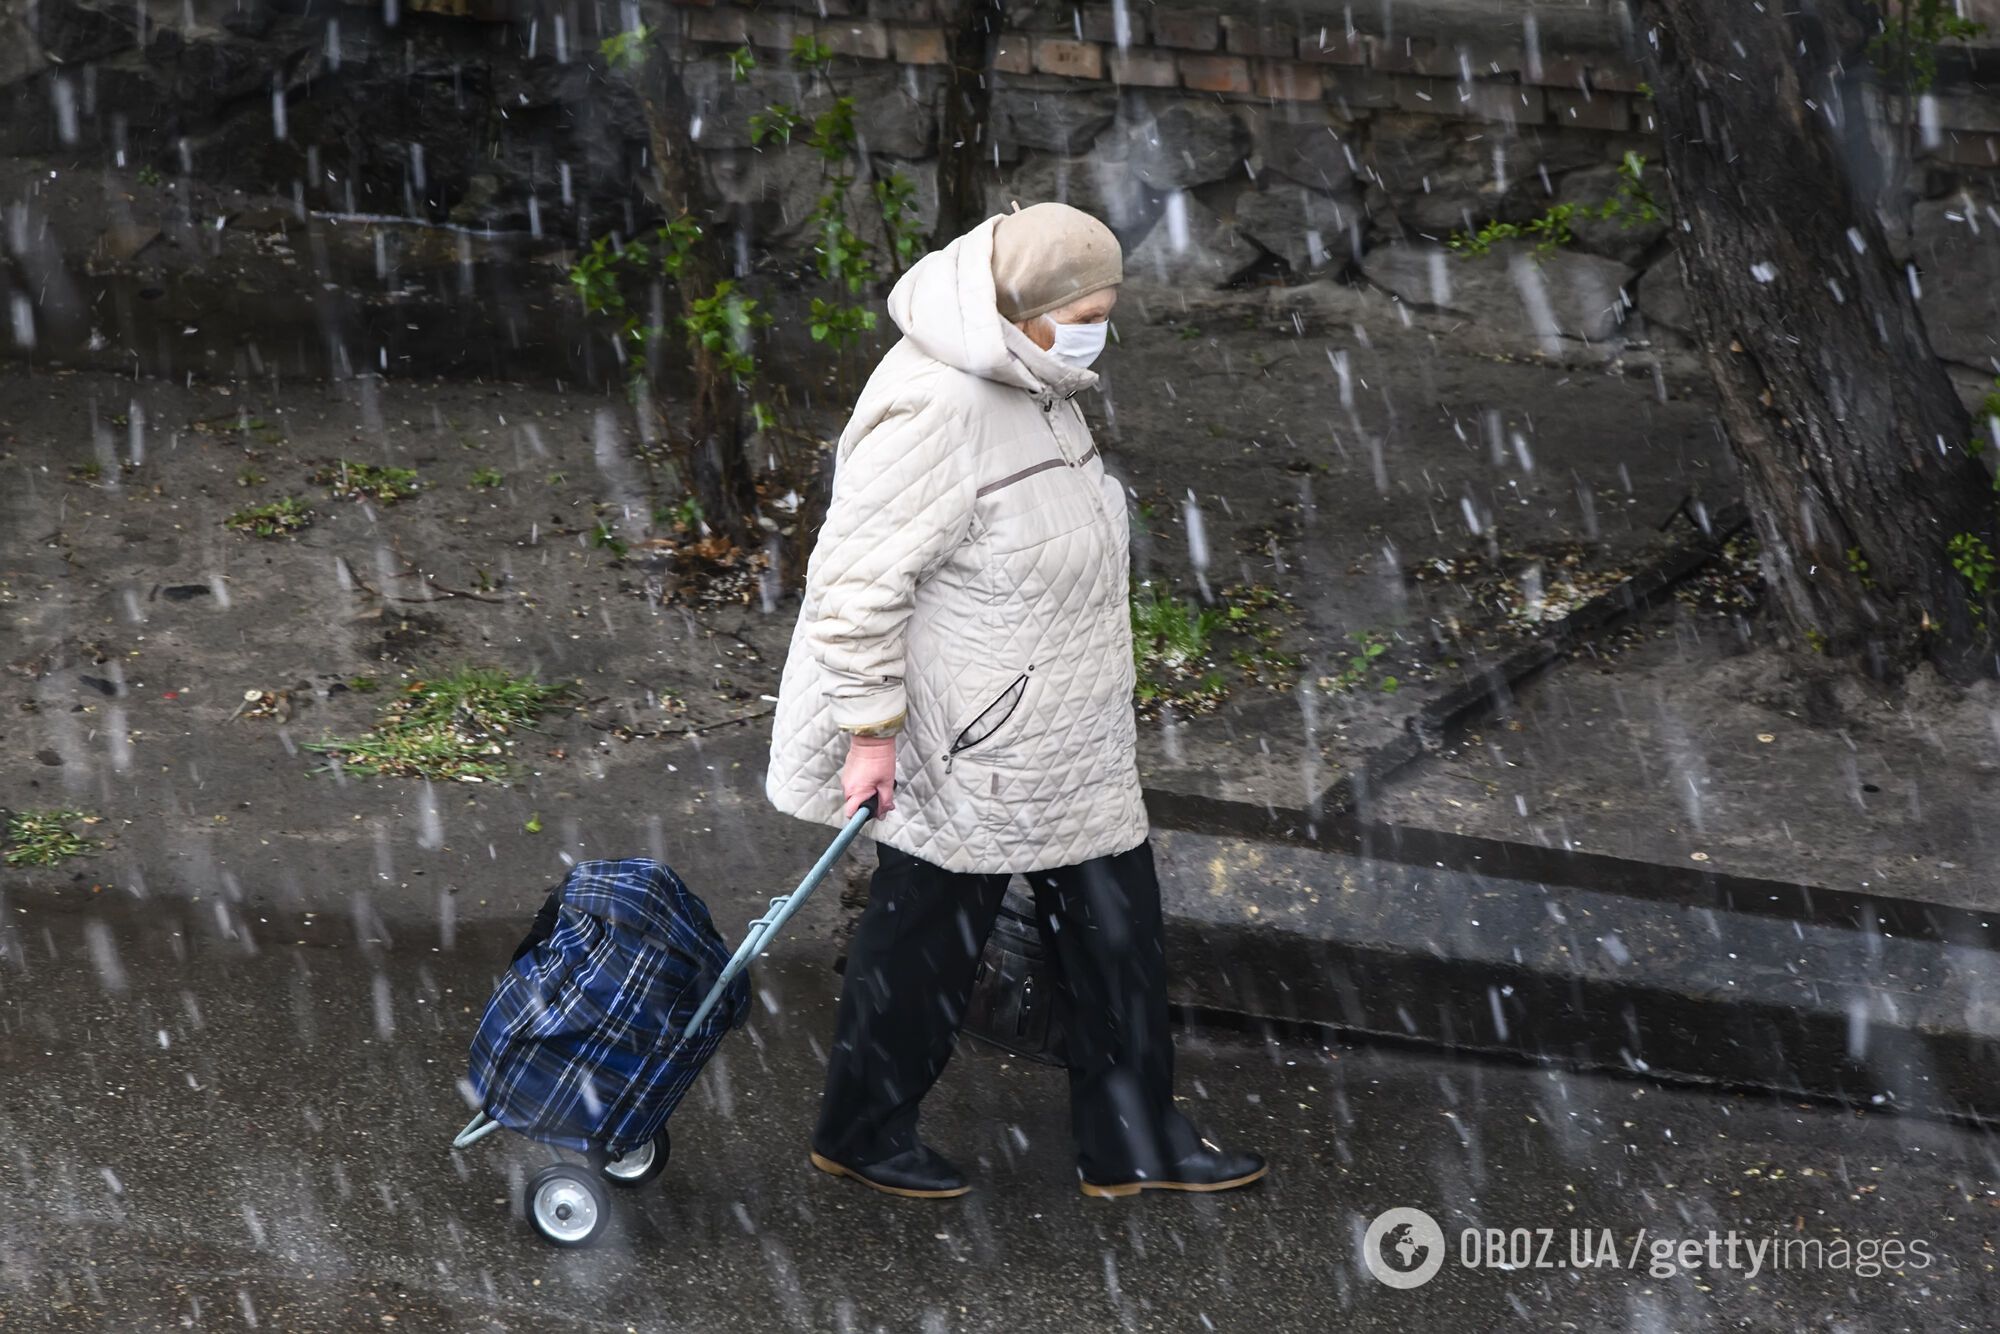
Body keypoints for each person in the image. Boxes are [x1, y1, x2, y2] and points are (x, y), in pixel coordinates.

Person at [764, 202, 1266, 1201]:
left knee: (1116, 930)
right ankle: (863, 1129)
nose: (1095, 329)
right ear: (1020, 308)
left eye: (1106, 308)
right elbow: (856, 585)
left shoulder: (1036, 375)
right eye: (1081, 311)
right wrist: (869, 731)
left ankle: (1131, 1140)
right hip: (973, 734)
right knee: (925, 939)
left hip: (1063, 722)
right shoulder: (936, 405)